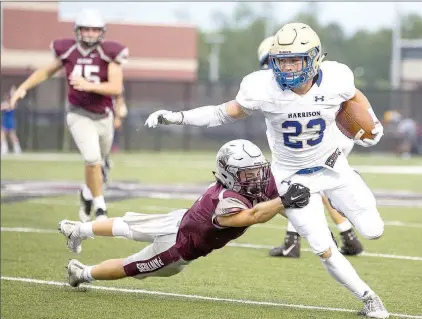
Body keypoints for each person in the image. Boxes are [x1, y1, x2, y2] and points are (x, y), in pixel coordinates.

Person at [145, 23, 389, 318]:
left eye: (294, 59)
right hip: (291, 179)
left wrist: (372, 123)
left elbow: (354, 96)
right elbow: (222, 112)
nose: (286, 68)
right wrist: (178, 117)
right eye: (281, 60)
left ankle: (340, 194)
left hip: (333, 166)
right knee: (322, 247)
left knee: (374, 231)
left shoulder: (337, 78)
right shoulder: (263, 87)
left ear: (313, 58)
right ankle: (369, 298)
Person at [58, 139, 310, 287]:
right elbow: (254, 215)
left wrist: (307, 225)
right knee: (130, 266)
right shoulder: (228, 200)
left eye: (258, 171)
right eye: (248, 174)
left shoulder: (248, 184)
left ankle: (77, 228)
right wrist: (285, 201)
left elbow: (279, 205)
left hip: (180, 219)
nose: (257, 178)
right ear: (230, 174)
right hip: (177, 247)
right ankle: (81, 273)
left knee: (127, 225)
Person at [10, 9, 128, 221]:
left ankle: (86, 192)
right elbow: (46, 71)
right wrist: (23, 88)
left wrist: (88, 85)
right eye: (86, 29)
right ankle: (100, 207)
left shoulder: (109, 52)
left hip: (104, 116)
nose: (91, 33)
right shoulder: (68, 51)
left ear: (102, 32)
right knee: (92, 159)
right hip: (78, 114)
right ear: (78, 31)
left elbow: (116, 86)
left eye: (95, 29)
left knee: (99, 163)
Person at [257, 36, 363, 258]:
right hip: (334, 138)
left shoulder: (289, 85)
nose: (279, 68)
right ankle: (346, 236)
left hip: (324, 141)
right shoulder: (314, 76)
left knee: (297, 185)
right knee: (309, 187)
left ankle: (298, 242)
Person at [1, 85, 23, 155]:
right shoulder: (5, 102)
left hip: (10, 120)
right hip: (5, 120)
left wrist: (6, 106)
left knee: (12, 135)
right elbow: (2, 106)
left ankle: (17, 149)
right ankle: (4, 149)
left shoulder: (14, 101)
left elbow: (11, 106)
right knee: (2, 134)